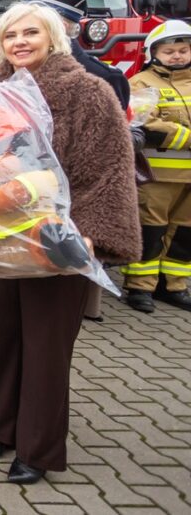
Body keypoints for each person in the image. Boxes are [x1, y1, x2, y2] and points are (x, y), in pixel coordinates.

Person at [0, 2, 139, 484]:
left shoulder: (89, 93)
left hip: (53, 242)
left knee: (46, 349)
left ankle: (37, 448)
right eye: (10, 36)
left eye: (31, 33)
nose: (20, 42)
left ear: (54, 38)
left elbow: (108, 172)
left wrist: (88, 233)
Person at [23, 0, 132, 321]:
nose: (22, 38)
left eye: (34, 27)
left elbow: (108, 165)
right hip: (18, 213)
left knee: (51, 323)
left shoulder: (98, 80)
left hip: (67, 218)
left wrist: (91, 232)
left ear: (61, 29)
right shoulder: (10, 76)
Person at [122, 20, 191, 313]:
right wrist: (186, 136)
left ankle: (174, 286)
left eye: (183, 50)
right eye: (169, 51)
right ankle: (140, 288)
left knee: (185, 233)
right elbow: (144, 122)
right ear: (154, 53)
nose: (177, 56)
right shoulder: (142, 83)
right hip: (159, 174)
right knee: (151, 230)